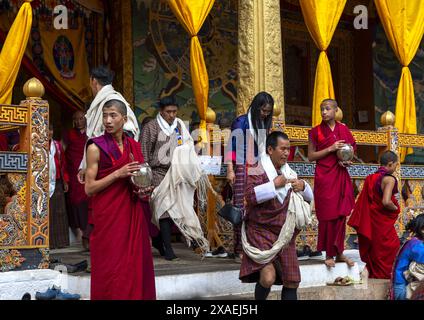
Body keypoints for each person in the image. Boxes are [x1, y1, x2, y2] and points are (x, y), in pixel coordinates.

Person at [84, 99, 156, 300]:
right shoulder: (95, 147)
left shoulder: (133, 146)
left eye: (113, 115)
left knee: (133, 266)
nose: (108, 120)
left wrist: (143, 189)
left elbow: (139, 180)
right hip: (108, 217)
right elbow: (89, 188)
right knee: (111, 267)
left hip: (132, 214)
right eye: (105, 115)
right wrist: (117, 174)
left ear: (124, 119)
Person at [240, 131, 313, 300]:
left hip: (284, 233)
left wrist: (303, 186)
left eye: (288, 149)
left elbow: (307, 197)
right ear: (270, 150)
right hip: (260, 230)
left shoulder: (288, 171)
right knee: (268, 277)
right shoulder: (256, 169)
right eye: (283, 149)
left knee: (292, 280)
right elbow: (250, 196)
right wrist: (273, 185)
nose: (287, 153)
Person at [142, 95, 209, 260]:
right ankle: (168, 250)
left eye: (174, 111)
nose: (171, 115)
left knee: (177, 209)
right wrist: (146, 178)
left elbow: (187, 146)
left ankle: (161, 241)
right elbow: (144, 153)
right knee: (164, 209)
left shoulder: (179, 125)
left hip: (177, 172)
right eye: (168, 112)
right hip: (158, 172)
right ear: (161, 111)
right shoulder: (151, 127)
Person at [225, 92, 274, 262]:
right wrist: (230, 169)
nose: (265, 114)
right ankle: (239, 248)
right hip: (242, 167)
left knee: (258, 206)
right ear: (255, 106)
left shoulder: (264, 123)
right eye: (263, 110)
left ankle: (255, 245)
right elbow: (231, 146)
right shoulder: (241, 121)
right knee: (240, 207)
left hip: (259, 167)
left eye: (268, 111)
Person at [308, 98, 356, 268]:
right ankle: (328, 254)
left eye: (327, 109)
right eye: (321, 109)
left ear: (336, 111)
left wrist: (346, 160)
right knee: (327, 215)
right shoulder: (316, 132)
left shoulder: (343, 129)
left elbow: (350, 149)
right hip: (324, 177)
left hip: (340, 174)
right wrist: (330, 148)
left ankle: (340, 253)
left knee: (340, 215)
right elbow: (311, 156)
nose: (324, 112)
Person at [78, 66, 140, 182]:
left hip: (112, 164)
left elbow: (129, 131)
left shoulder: (113, 100)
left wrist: (112, 159)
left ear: (93, 81)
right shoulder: (101, 101)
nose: (108, 119)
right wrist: (86, 165)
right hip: (100, 163)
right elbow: (94, 138)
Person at [348, 150, 401, 278]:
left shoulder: (371, 178)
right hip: (382, 221)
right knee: (392, 245)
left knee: (376, 247)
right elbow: (386, 201)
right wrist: (396, 208)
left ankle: (375, 272)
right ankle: (385, 274)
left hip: (372, 219)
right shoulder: (389, 179)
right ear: (390, 164)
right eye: (396, 165)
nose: (395, 168)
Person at [63, 111, 89, 248]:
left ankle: (87, 232)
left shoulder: (91, 132)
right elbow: (62, 152)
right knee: (75, 201)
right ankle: (79, 231)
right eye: (76, 119)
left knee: (88, 201)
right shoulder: (70, 134)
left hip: (88, 171)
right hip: (74, 173)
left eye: (81, 118)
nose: (79, 122)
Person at [390, 214, 424, 300]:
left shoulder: (415, 241)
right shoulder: (416, 245)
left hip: (404, 282)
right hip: (402, 286)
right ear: (422, 229)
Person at [48, 124, 70, 249]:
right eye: (45, 129)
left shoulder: (57, 145)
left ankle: (60, 242)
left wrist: (65, 180)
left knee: (59, 212)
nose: (48, 132)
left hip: (57, 181)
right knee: (48, 212)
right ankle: (49, 243)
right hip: (42, 182)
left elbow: (63, 164)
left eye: (50, 129)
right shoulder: (36, 143)